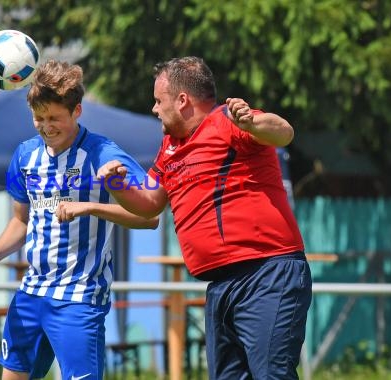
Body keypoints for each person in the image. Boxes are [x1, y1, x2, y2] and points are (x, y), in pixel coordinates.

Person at [97, 56, 312, 379]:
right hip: (220, 285)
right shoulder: (170, 146)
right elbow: (150, 203)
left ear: (182, 100)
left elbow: (283, 132)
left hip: (267, 275)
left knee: (272, 374)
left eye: (159, 100)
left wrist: (251, 123)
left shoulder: (228, 120)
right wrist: (115, 185)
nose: (155, 109)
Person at [0, 59, 158, 380]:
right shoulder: (26, 156)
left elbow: (150, 215)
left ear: (77, 111)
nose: (46, 126)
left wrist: (90, 207)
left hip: (79, 299)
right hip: (31, 295)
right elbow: (21, 221)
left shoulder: (104, 154)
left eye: (54, 117)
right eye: (38, 118)